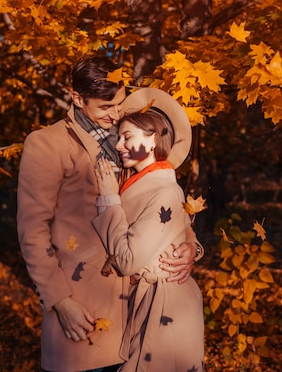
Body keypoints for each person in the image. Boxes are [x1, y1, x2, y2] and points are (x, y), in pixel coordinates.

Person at [17, 56, 203, 372]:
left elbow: (160, 202)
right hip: (82, 305)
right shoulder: (47, 144)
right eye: (105, 108)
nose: (115, 114)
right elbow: (32, 232)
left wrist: (191, 245)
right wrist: (60, 302)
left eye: (119, 104)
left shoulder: (133, 136)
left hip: (137, 311)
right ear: (77, 98)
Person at [92, 87, 205, 372]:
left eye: (127, 137)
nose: (118, 145)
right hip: (131, 300)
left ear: (153, 140)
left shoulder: (164, 189)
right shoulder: (134, 180)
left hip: (163, 305)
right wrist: (193, 245)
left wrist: (109, 201)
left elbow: (128, 260)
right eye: (119, 137)